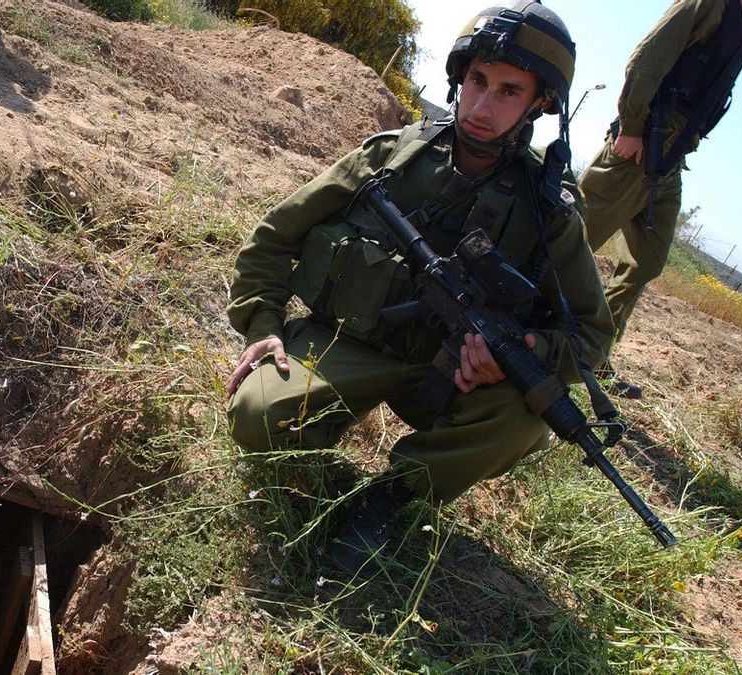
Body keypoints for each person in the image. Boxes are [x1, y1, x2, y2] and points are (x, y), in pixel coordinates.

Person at [224, 1, 612, 575]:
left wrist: (520, 358)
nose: (481, 106)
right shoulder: (390, 157)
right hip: (345, 347)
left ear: (540, 103)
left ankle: (393, 495)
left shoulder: (549, 213)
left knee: (530, 413)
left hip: (452, 377)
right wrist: (264, 325)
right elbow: (275, 237)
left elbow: (591, 337)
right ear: (459, 75)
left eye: (508, 91)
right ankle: (324, 435)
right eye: (477, 80)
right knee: (256, 415)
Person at [579, 0, 742, 399]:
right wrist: (631, 126)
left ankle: (590, 353)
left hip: (671, 157)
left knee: (647, 260)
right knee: (573, 239)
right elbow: (647, 58)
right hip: (641, 144)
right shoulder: (711, 6)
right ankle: (515, 319)